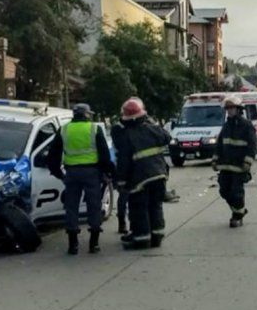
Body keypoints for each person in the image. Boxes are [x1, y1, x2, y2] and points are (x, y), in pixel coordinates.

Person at [48, 104, 114, 255]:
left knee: (71, 207)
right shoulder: (94, 129)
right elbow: (104, 154)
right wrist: (106, 172)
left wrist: (59, 174)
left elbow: (53, 155)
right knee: (94, 206)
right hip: (92, 172)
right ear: (86, 114)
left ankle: (73, 245)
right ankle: (94, 244)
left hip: (72, 173)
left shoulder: (64, 130)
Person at [114, 97, 171, 250]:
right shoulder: (152, 129)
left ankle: (142, 238)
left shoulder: (126, 135)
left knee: (139, 208)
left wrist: (121, 181)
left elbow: (123, 161)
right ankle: (157, 236)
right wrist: (152, 122)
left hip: (139, 179)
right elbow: (167, 137)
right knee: (155, 206)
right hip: (159, 175)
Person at [213, 96, 257, 228]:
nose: (229, 111)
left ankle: (237, 217)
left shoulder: (246, 125)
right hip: (225, 165)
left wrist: (248, 162)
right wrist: (215, 159)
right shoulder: (226, 126)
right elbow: (219, 144)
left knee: (236, 192)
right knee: (223, 191)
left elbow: (252, 145)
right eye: (227, 108)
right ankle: (240, 211)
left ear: (238, 109)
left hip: (239, 166)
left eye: (231, 108)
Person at [110, 119, 129, 235]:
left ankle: (123, 223)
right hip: (122, 167)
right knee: (124, 195)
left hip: (123, 167)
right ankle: (122, 222)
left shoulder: (119, 128)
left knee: (125, 196)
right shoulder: (118, 128)